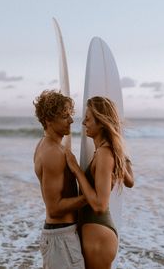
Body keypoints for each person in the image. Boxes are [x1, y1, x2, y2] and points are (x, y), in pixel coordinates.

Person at [65, 96, 134, 269]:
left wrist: (76, 170)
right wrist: (123, 156)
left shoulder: (104, 153)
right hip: (98, 234)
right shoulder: (108, 151)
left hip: (99, 236)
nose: (83, 123)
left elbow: (99, 205)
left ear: (101, 122)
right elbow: (130, 182)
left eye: (88, 119)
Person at [33, 90, 86, 269]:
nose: (71, 121)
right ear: (48, 120)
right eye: (65, 116)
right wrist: (90, 198)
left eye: (70, 115)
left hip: (59, 236)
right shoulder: (53, 153)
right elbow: (54, 208)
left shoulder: (48, 145)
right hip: (61, 238)